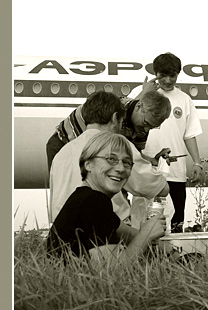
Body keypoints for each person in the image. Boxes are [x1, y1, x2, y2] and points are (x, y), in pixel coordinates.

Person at [49, 91, 171, 223]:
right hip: (102, 230)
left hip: (62, 230)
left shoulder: (61, 154)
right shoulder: (117, 145)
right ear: (114, 118)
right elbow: (159, 188)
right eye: (121, 122)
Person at [47, 132, 167, 264]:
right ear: (88, 164)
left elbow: (129, 235)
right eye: (111, 159)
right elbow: (112, 270)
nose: (121, 168)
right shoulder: (94, 202)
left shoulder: (85, 198)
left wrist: (173, 253)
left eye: (127, 163)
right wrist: (147, 234)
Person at [129, 52, 204, 232]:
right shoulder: (141, 92)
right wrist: (145, 92)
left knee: (176, 221)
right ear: (155, 73)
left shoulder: (184, 99)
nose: (168, 80)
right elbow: (127, 114)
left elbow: (189, 134)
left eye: (173, 75)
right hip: (146, 167)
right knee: (143, 219)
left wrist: (197, 162)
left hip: (175, 172)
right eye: (163, 75)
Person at [45, 79, 168, 171]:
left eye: (152, 127)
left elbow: (132, 156)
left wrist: (151, 160)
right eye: (146, 123)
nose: (146, 129)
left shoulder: (141, 128)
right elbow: (92, 147)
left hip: (88, 149)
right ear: (139, 107)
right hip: (64, 143)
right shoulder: (113, 109)